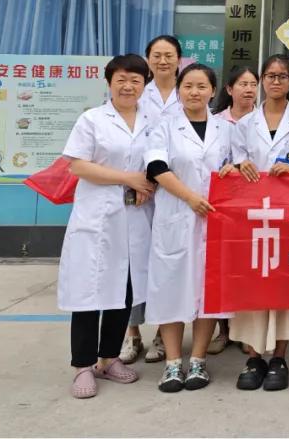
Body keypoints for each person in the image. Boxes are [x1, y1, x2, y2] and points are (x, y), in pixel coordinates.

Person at [59, 54, 154, 399]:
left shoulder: (152, 120)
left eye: (135, 80)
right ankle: (83, 366)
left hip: (135, 217)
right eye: (121, 80)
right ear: (109, 82)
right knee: (88, 292)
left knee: (123, 291)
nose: (128, 86)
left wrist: (147, 184)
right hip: (97, 217)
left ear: (144, 85)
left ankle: (109, 358)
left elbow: (156, 164)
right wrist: (128, 178)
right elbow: (78, 166)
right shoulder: (92, 119)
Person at [144, 64, 235, 393]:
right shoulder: (164, 126)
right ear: (179, 90)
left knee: (207, 290)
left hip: (214, 219)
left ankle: (198, 359)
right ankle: (172, 362)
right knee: (170, 287)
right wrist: (190, 198)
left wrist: (233, 170)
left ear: (213, 91)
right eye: (188, 86)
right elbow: (156, 167)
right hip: (177, 215)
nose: (194, 92)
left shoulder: (225, 129)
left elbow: (233, 165)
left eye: (201, 86)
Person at [230, 54, 289, 392]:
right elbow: (234, 163)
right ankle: (253, 356)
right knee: (252, 283)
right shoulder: (244, 123)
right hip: (251, 216)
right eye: (270, 76)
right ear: (262, 80)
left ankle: (279, 356)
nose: (276, 81)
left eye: (282, 76)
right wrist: (239, 167)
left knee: (283, 285)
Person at [120, 34, 183, 366]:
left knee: (166, 265)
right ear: (148, 60)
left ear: (179, 60)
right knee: (132, 263)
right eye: (156, 55)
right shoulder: (137, 95)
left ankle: (162, 333)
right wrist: (138, 181)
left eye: (169, 55)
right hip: (139, 191)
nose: (163, 61)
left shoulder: (187, 92)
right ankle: (131, 334)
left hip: (174, 192)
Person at [206, 65, 258, 355]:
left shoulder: (263, 118)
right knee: (223, 265)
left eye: (253, 84)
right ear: (229, 89)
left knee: (247, 266)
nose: (248, 89)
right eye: (242, 84)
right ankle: (224, 330)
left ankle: (244, 330)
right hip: (222, 204)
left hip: (254, 204)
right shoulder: (216, 122)